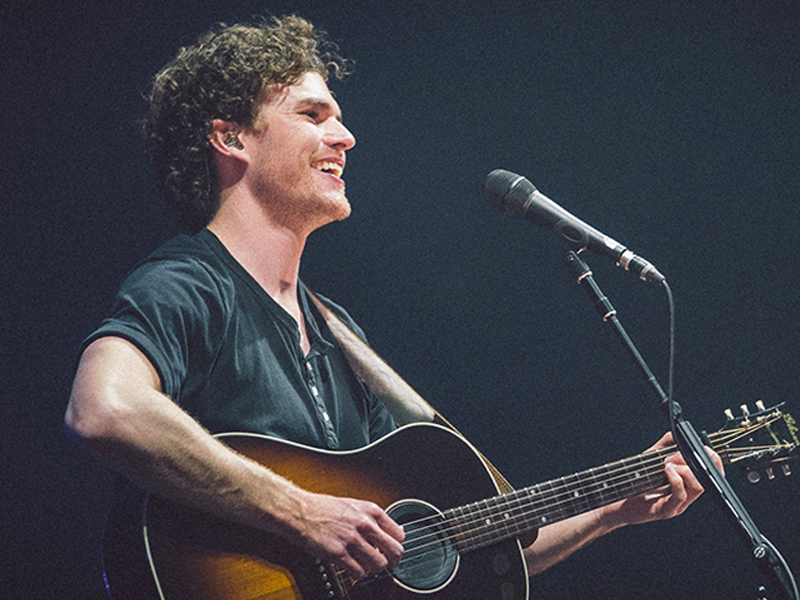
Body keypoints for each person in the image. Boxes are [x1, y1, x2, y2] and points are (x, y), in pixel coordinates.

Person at [65, 14, 719, 589]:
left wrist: (614, 510)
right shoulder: (189, 283)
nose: (345, 137)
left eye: (339, 117)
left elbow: (448, 545)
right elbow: (105, 409)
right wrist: (300, 512)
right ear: (232, 139)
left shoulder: (336, 330)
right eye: (312, 115)